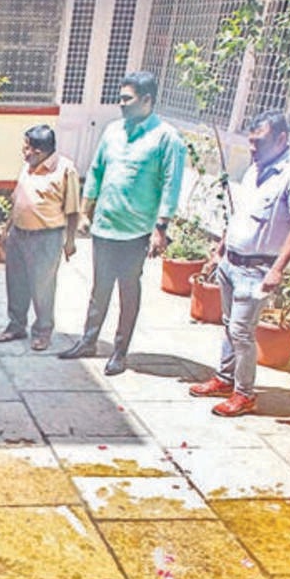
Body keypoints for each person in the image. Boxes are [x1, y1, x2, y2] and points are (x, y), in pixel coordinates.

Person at [58, 71, 186, 376]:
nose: (121, 104)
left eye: (127, 99)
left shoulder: (166, 137)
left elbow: (171, 184)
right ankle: (88, 341)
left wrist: (161, 228)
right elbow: (97, 170)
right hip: (105, 225)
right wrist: (85, 212)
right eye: (121, 97)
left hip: (136, 230)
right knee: (99, 287)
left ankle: (120, 350)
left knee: (128, 291)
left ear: (147, 100)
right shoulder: (113, 130)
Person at [189, 110, 290, 417]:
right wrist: (220, 249)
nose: (253, 148)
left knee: (242, 331)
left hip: (257, 269)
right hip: (232, 263)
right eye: (251, 142)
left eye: (259, 141)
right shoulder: (255, 169)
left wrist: (278, 269)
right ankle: (224, 378)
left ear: (281, 139)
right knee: (230, 327)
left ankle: (244, 394)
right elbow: (240, 216)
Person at [0, 125, 82, 351]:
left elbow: (72, 210)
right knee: (15, 282)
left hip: (46, 237)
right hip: (18, 235)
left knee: (42, 286)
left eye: (27, 149)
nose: (24, 153)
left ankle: (43, 331)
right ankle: (16, 325)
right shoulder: (28, 166)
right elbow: (18, 200)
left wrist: (70, 241)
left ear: (40, 152)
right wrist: (7, 229)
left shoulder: (65, 170)